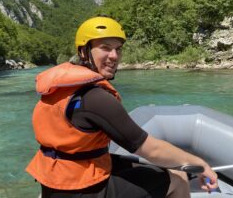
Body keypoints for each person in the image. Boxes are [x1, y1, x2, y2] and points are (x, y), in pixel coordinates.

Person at [26, 16, 218, 198]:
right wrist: (199, 163)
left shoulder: (60, 88)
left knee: (130, 165)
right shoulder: (95, 98)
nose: (114, 56)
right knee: (179, 177)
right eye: (105, 48)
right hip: (82, 191)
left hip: (55, 183)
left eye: (118, 49)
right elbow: (152, 150)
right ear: (84, 51)